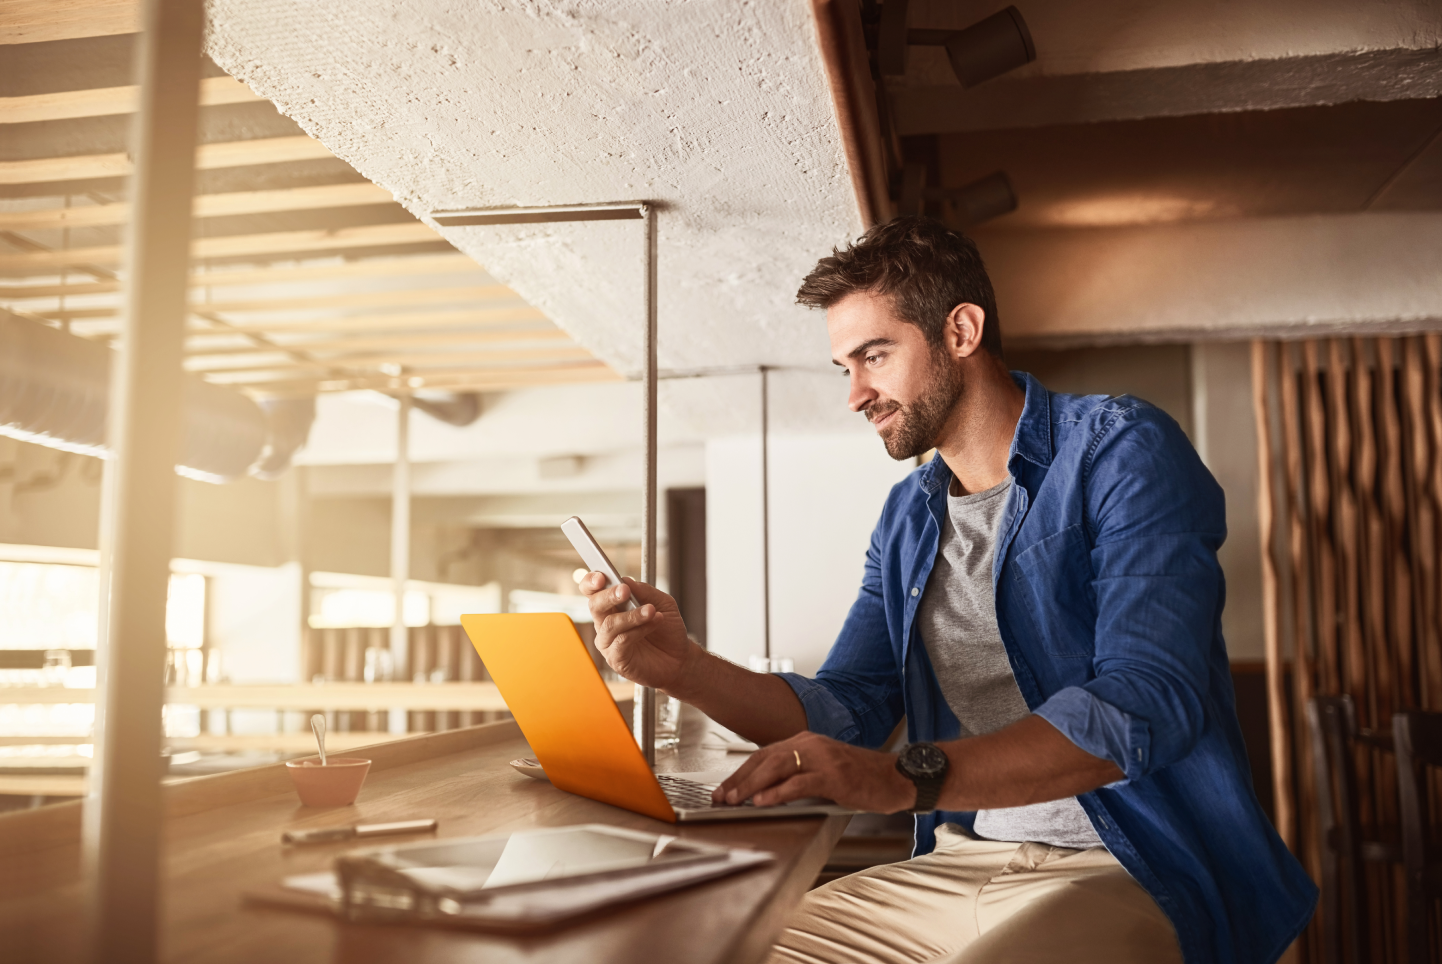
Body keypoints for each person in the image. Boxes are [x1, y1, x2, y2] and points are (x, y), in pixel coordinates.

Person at [581, 216, 1316, 964]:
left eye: (874, 355)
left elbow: (1148, 698)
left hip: (1130, 866)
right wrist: (685, 669)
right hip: (960, 859)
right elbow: (851, 710)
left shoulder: (1121, 448)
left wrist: (904, 777)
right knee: (716, 950)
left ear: (961, 331)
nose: (855, 394)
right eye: (845, 367)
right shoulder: (908, 515)